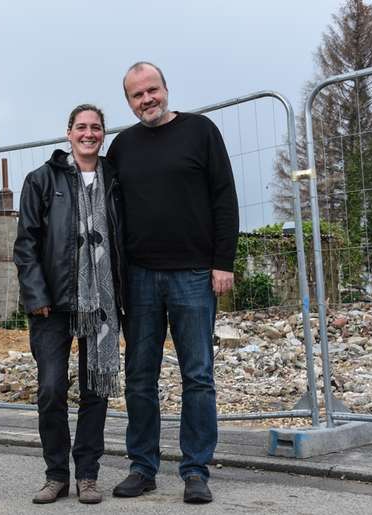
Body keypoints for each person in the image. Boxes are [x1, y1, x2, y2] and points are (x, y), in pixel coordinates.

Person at [106, 62, 239, 504]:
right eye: (137, 95)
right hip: (139, 278)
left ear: (166, 88)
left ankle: (196, 469)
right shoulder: (122, 146)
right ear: (128, 101)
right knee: (139, 376)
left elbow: (224, 196)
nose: (147, 99)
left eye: (152, 89)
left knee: (197, 375)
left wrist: (224, 262)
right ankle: (142, 467)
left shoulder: (201, 131)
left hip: (194, 275)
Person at [14, 104, 125, 505]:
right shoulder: (42, 179)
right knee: (51, 389)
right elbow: (26, 243)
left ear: (103, 134)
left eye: (96, 127)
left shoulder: (116, 178)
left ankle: (89, 476)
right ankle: (57, 474)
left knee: (96, 390)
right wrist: (36, 295)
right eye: (82, 127)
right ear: (68, 133)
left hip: (103, 303)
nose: (89, 133)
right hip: (54, 305)